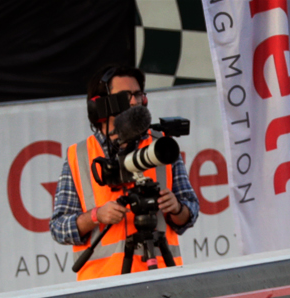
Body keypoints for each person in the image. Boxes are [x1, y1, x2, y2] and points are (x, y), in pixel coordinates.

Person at [50, 64, 200, 280]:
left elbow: (189, 211)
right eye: (125, 96)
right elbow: (58, 228)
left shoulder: (161, 147)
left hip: (161, 279)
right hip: (102, 284)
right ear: (101, 105)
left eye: (138, 94)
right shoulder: (80, 155)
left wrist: (177, 208)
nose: (134, 102)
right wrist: (95, 216)